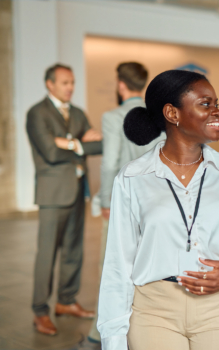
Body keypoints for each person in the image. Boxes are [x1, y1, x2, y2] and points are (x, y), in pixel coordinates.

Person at [97, 70, 219, 350]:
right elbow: (118, 265)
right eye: (205, 104)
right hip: (154, 312)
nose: (217, 112)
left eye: (217, 103)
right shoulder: (132, 178)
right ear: (172, 114)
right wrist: (113, 341)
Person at [73, 62, 164, 350]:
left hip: (122, 205)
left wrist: (105, 201)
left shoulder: (113, 116)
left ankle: (96, 338)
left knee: (111, 269)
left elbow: (111, 162)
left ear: (120, 84)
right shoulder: (158, 115)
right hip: (154, 204)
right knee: (146, 266)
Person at [26, 63, 102, 336]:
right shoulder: (37, 113)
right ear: (50, 84)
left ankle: (66, 301)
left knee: (74, 252)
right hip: (52, 194)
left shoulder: (79, 113)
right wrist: (78, 143)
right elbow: (49, 151)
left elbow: (99, 144)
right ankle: (40, 311)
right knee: (47, 255)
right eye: (65, 83)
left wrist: (68, 142)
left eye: (72, 82)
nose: (70, 87)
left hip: (77, 191)